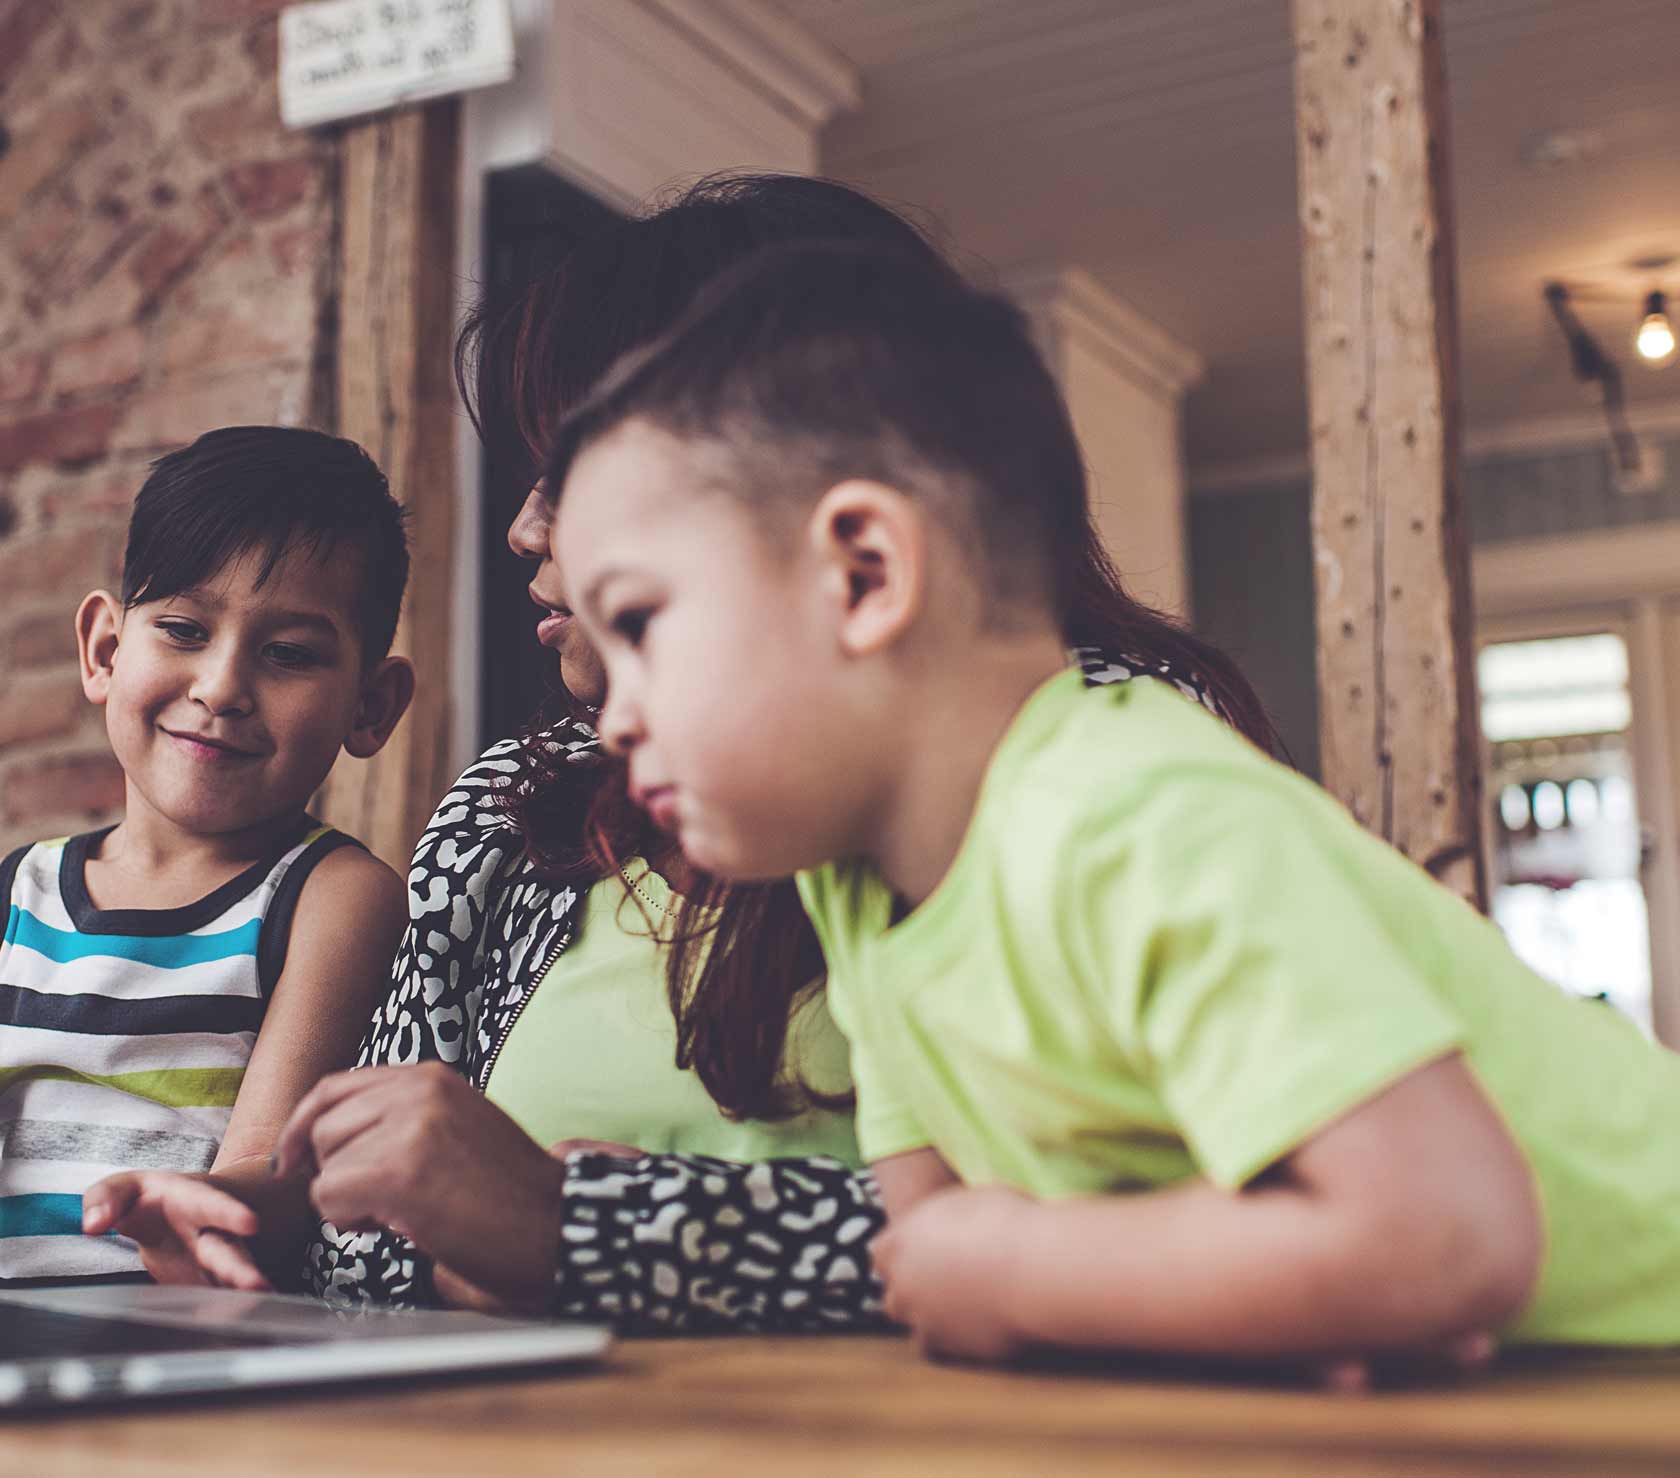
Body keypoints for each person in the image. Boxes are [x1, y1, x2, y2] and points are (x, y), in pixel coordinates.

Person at [542, 240, 1680, 1370]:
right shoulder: (856, 892)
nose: (613, 718)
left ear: (866, 574)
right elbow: (933, 1247)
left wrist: (1026, 1271)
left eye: (638, 624)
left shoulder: (1137, 815)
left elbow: (1444, 1234)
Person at [277, 174, 1279, 1326]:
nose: (526, 529)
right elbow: (364, 1238)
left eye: (577, 479)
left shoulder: (1088, 768)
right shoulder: (513, 800)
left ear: (858, 552)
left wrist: (588, 1228)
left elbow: (1157, 1214)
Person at [0, 426, 414, 1287]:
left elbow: (274, 1175)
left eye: (289, 654)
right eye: (184, 629)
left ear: (371, 707)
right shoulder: (16, 895)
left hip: (186, 1340)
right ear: (105, 651)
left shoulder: (331, 898)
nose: (221, 687)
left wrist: (193, 1214)